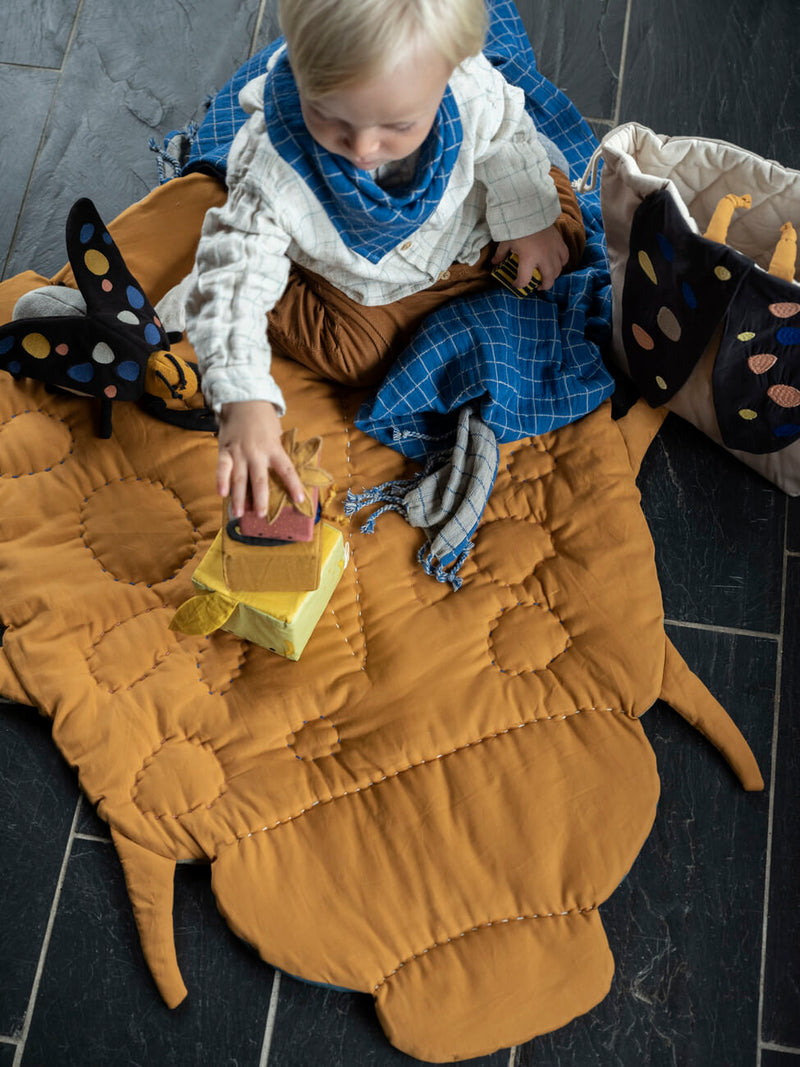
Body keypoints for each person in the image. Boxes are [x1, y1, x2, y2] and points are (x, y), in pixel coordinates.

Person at [184, 0, 586, 520]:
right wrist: (243, 400)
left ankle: (530, 213)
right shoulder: (273, 168)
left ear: (448, 73)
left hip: (464, 238)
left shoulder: (468, 88)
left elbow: (506, 131)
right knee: (353, 358)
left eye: (397, 125)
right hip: (361, 285)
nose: (363, 148)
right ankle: (270, 279)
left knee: (564, 233)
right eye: (329, 116)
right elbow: (232, 283)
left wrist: (528, 222)